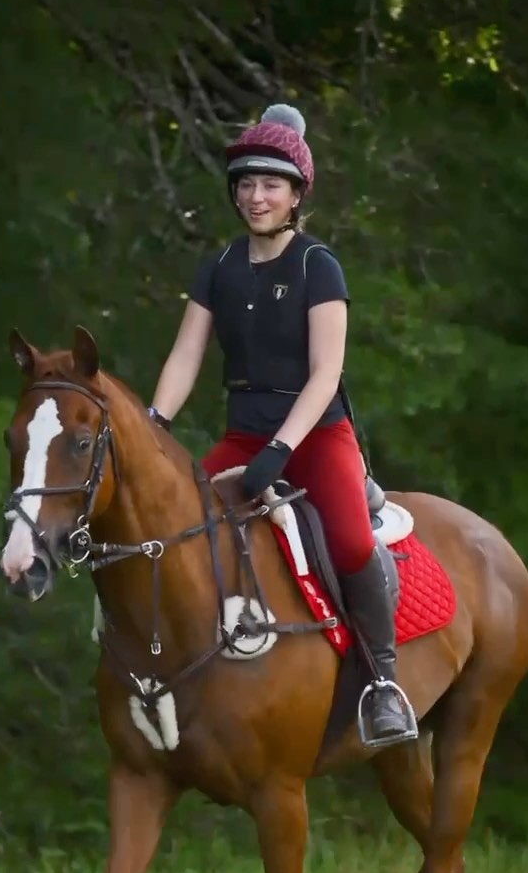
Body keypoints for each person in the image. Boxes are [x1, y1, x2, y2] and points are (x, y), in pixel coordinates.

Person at [147, 103, 417, 745]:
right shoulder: (217, 267)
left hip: (316, 432)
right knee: (172, 528)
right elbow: (186, 355)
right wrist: (155, 422)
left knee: (351, 541)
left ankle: (382, 683)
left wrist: (281, 449)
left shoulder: (317, 266)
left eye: (271, 184)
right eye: (245, 184)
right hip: (243, 432)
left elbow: (327, 371)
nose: (255, 196)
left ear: (297, 194)